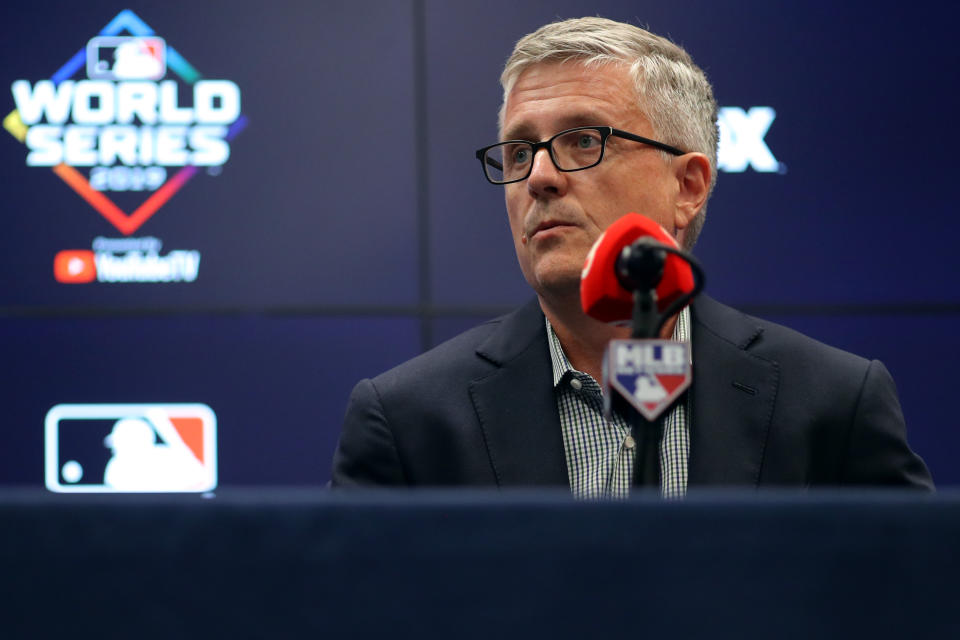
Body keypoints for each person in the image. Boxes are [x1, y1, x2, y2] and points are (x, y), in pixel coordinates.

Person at [331, 17, 932, 495]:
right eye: (519, 151)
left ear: (688, 187)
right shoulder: (408, 420)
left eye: (583, 141)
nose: (538, 176)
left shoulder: (832, 402)